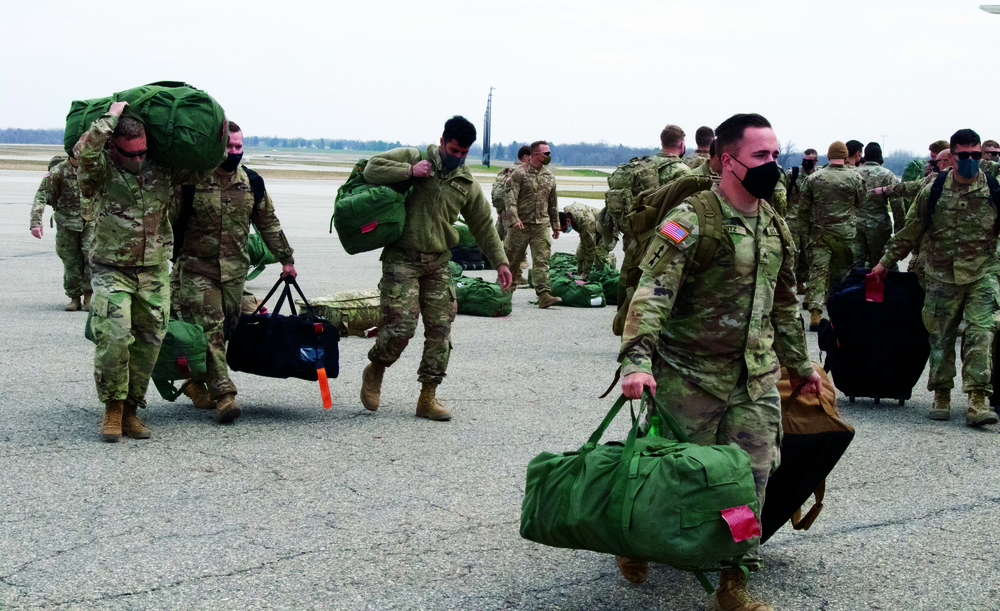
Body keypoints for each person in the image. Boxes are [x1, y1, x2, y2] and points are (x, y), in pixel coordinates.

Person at [615, 113, 821, 611]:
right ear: (728, 160)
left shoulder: (774, 224)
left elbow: (785, 303)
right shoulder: (691, 219)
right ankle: (631, 540)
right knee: (667, 476)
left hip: (754, 381)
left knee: (751, 481)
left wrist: (802, 365)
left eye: (775, 156)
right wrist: (636, 363)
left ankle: (733, 584)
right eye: (760, 156)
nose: (772, 166)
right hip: (690, 378)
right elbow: (652, 294)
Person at [359, 116, 512, 421]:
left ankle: (427, 397)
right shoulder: (415, 158)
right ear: (442, 142)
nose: (459, 157)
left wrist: (501, 262)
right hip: (402, 257)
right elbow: (370, 168)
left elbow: (482, 224)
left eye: (465, 152)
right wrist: (408, 171)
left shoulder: (465, 182)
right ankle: (376, 368)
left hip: (439, 262)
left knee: (441, 331)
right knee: (401, 328)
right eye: (455, 149)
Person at [76, 101, 202, 442]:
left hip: (153, 268)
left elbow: (202, 162)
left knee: (150, 341)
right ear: (114, 148)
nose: (137, 159)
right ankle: (112, 409)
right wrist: (111, 117)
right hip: (110, 267)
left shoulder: (162, 167)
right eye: (130, 154)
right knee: (114, 337)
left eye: (142, 152)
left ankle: (131, 410)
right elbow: (83, 154)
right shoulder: (101, 168)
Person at [171, 121, 296, 423]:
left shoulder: (251, 183)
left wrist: (286, 259)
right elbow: (165, 221)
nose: (235, 152)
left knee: (227, 331)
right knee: (211, 328)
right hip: (196, 269)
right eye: (230, 147)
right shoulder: (191, 181)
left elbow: (268, 222)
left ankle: (195, 381)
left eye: (239, 147)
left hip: (235, 273)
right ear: (217, 147)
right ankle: (225, 396)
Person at [872, 129, 999, 427]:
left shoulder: (994, 189)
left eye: (976, 155)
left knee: (980, 335)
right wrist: (884, 262)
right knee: (940, 339)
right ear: (951, 158)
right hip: (941, 275)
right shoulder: (934, 189)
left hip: (983, 274)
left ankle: (978, 399)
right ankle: (941, 393)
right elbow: (911, 229)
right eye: (964, 155)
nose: (971, 161)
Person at [800, 141, 866, 331]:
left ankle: (815, 313)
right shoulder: (855, 177)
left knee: (818, 272)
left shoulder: (814, 178)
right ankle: (838, 313)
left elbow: (803, 209)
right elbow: (861, 202)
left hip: (820, 233)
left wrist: (805, 232)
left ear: (828, 156)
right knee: (840, 274)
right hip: (845, 234)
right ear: (846, 157)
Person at [30, 152, 95, 311]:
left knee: (91, 258)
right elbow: (41, 195)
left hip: (91, 221)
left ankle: (89, 295)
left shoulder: (93, 169)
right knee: (70, 261)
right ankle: (74, 297)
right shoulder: (57, 171)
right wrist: (36, 222)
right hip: (67, 223)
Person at [504, 140, 561, 308]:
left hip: (541, 225)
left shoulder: (549, 176)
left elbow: (553, 203)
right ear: (536, 155)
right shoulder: (519, 173)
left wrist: (556, 225)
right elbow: (510, 199)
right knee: (512, 261)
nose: (549, 156)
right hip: (520, 226)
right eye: (547, 153)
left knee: (542, 261)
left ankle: (544, 295)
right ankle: (505, 295)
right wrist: (514, 219)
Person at [852, 142, 904, 268]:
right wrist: (900, 229)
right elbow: (897, 204)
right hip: (878, 226)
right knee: (882, 264)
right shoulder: (887, 174)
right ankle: (883, 287)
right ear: (879, 156)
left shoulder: (853, 174)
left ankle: (854, 287)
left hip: (855, 226)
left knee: (854, 265)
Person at [786, 149, 819, 294]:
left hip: (809, 222)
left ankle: (800, 282)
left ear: (816, 161)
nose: (806, 162)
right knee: (791, 253)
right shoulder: (792, 174)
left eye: (809, 160)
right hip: (791, 220)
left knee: (807, 255)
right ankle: (787, 284)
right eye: (804, 159)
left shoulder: (818, 177)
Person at [559, 203, 612, 277]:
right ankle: (581, 276)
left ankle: (610, 264)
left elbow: (591, 249)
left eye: (564, 229)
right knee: (580, 255)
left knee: (599, 257)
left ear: (568, 221)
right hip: (592, 229)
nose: (564, 232)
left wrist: (586, 272)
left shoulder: (585, 223)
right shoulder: (566, 212)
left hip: (606, 230)